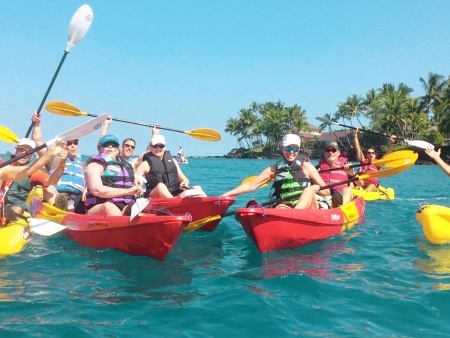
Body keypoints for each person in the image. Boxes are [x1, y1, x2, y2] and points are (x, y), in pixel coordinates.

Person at [221, 134, 330, 209]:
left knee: (309, 190)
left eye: (295, 149)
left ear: (298, 150)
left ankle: (296, 212)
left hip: (309, 207)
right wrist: (225, 195)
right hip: (286, 208)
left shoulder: (306, 166)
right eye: (288, 148)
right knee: (280, 207)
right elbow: (250, 186)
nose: (291, 152)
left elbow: (327, 192)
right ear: (282, 148)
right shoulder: (274, 170)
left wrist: (316, 189)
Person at [0, 139, 66, 223]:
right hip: (2, 203)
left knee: (16, 209)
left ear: (32, 156)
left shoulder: (32, 171)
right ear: (15, 149)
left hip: (14, 205)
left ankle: (59, 208)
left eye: (29, 152)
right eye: (22, 150)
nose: (24, 154)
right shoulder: (3, 165)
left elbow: (51, 181)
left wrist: (61, 165)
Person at [31, 112, 85, 211]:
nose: (73, 146)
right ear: (64, 145)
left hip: (78, 198)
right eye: (69, 143)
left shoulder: (82, 164)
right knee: (48, 187)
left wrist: (105, 126)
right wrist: (37, 125)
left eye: (75, 143)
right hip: (58, 194)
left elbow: (102, 150)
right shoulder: (55, 157)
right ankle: (60, 208)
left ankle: (69, 210)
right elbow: (38, 143)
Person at [83, 134, 144, 216]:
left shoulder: (126, 166)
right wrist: (128, 191)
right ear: (100, 148)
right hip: (100, 207)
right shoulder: (95, 165)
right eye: (106, 144)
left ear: (118, 149)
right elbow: (96, 190)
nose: (110, 147)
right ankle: (122, 225)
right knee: (109, 207)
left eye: (114, 145)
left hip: (125, 206)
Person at [134, 129, 206, 198]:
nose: (158, 149)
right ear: (151, 147)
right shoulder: (145, 164)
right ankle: (174, 201)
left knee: (197, 188)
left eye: (161, 146)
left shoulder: (173, 161)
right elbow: (136, 180)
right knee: (161, 186)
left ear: (165, 147)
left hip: (174, 193)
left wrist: (184, 182)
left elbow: (184, 179)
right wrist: (139, 186)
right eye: (155, 146)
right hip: (154, 196)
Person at [317, 140, 355, 208]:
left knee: (348, 190)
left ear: (338, 153)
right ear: (324, 153)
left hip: (340, 193)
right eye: (328, 150)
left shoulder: (346, 166)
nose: (330, 152)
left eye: (333, 150)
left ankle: (339, 208)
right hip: (324, 193)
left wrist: (352, 174)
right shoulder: (318, 168)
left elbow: (361, 184)